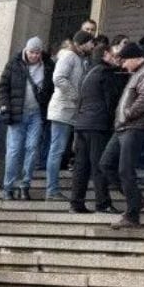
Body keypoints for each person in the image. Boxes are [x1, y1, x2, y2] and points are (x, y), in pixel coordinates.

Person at [70, 41, 125, 214]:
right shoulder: (106, 73)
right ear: (105, 55)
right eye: (112, 55)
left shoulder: (88, 73)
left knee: (81, 166)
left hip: (82, 124)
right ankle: (103, 203)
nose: (115, 58)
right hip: (97, 125)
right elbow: (111, 101)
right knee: (99, 164)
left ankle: (76, 203)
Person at [111, 42, 144, 230]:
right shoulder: (137, 73)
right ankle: (137, 199)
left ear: (133, 58)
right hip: (122, 127)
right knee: (106, 164)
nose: (123, 66)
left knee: (125, 170)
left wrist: (128, 114)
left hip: (135, 126)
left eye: (124, 61)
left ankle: (132, 215)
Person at [0, 37, 53, 199]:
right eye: (31, 52)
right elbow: (3, 88)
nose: (34, 56)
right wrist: (5, 109)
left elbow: (51, 88)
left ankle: (24, 185)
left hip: (37, 113)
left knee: (32, 148)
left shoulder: (48, 65)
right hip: (17, 113)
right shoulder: (13, 64)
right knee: (14, 150)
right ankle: (8, 187)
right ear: (25, 50)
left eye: (37, 53)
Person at [46, 31, 94, 200]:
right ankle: (52, 190)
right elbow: (58, 78)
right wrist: (77, 96)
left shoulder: (80, 59)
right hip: (62, 110)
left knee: (63, 150)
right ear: (82, 43)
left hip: (71, 111)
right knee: (57, 150)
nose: (92, 46)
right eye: (90, 43)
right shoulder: (69, 56)